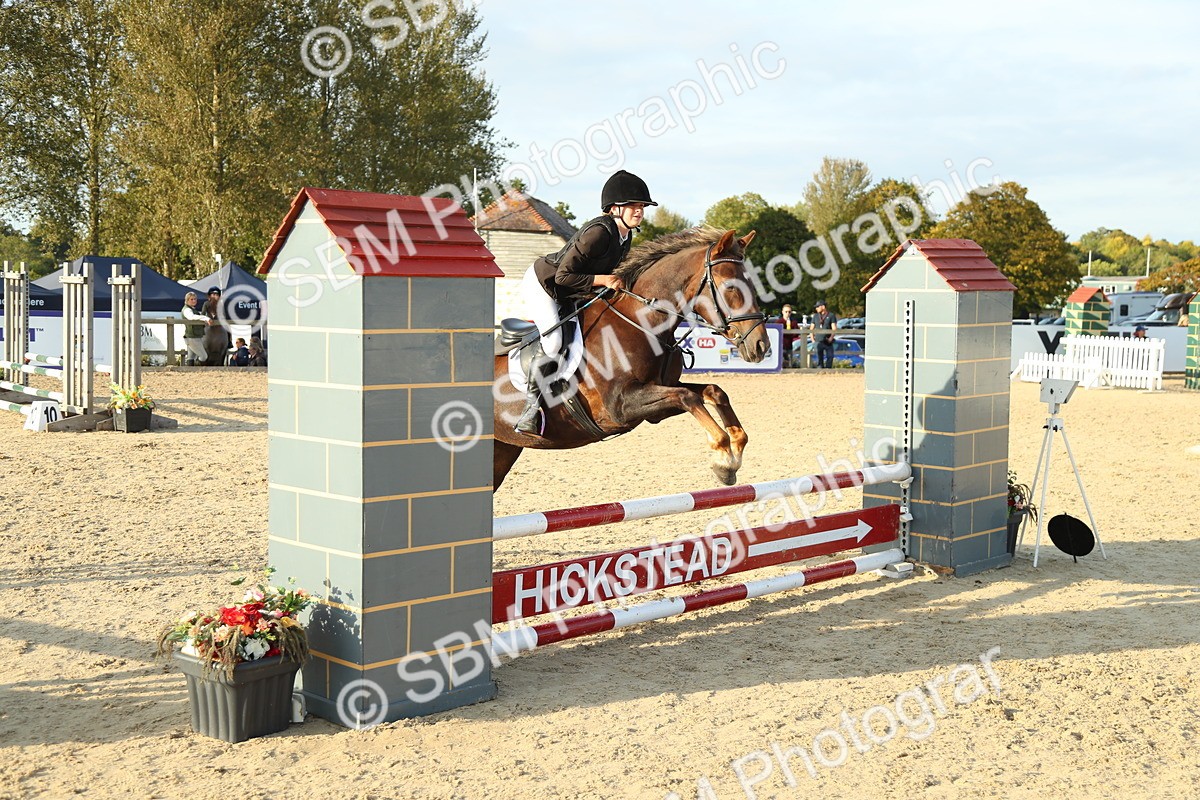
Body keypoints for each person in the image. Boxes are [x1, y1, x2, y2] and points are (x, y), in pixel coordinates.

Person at [513, 169, 657, 434]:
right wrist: (604, 280)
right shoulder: (599, 233)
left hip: (572, 291)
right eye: (633, 206)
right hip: (545, 284)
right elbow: (563, 276)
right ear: (614, 209)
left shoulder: (625, 236)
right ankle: (530, 409)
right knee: (555, 341)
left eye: (642, 207)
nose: (639, 211)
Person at [180, 291, 208, 366]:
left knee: (191, 356)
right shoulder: (187, 310)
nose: (194, 301)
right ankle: (199, 368)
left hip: (193, 336)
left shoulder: (192, 309)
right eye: (191, 299)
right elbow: (191, 317)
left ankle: (190, 372)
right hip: (192, 337)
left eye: (195, 299)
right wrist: (205, 318)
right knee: (203, 356)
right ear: (187, 300)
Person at [811, 300, 838, 368]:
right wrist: (812, 340)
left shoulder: (831, 315)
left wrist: (831, 338)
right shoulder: (815, 316)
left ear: (823, 307)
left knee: (830, 357)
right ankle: (820, 371)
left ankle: (828, 372)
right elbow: (811, 328)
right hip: (818, 341)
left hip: (827, 341)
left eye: (818, 307)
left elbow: (834, 328)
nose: (816, 308)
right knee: (819, 359)